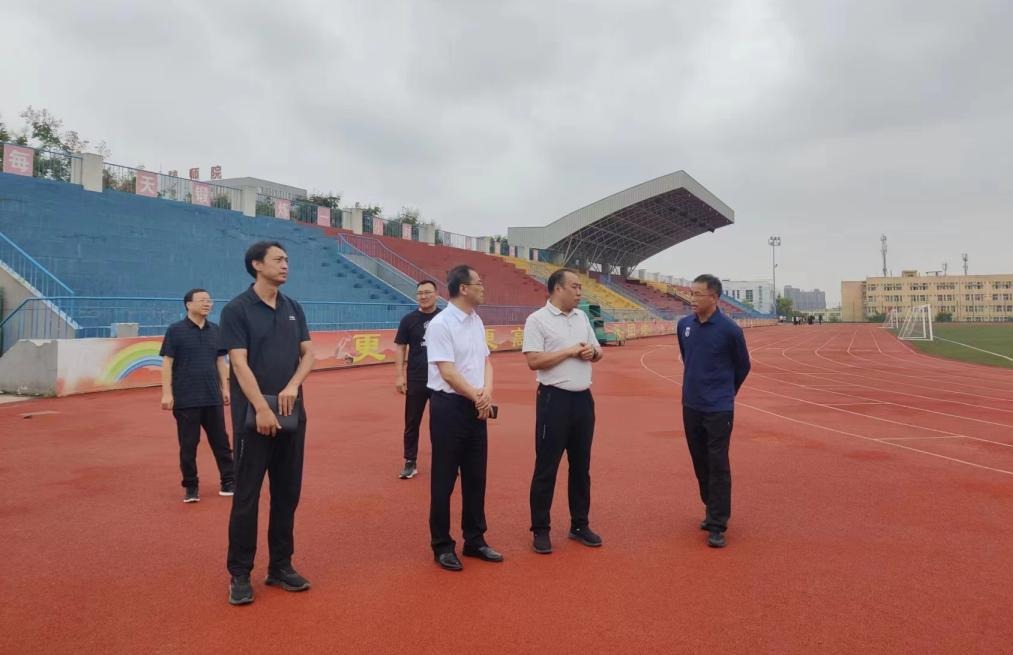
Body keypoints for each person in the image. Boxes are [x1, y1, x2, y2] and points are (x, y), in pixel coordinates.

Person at [220, 241, 316, 605]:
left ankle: (280, 566)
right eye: (278, 259)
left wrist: (292, 385)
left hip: (292, 416)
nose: (285, 264)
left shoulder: (294, 307)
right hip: (253, 419)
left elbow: (308, 354)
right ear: (257, 265)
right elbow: (238, 363)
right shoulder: (237, 309)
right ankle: (240, 573)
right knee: (246, 497)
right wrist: (261, 407)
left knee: (287, 494)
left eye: (287, 259)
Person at [425, 264, 502, 571]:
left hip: (476, 405)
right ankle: (442, 544)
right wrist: (476, 395)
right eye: (478, 283)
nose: (483, 288)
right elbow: (447, 371)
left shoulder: (476, 320)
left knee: (476, 477)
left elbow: (486, 361)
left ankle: (475, 539)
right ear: (463, 288)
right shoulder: (441, 324)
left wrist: (486, 394)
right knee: (444, 479)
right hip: (449, 406)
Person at [522, 268, 603, 555]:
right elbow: (533, 361)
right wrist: (569, 351)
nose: (580, 292)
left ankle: (580, 524)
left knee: (581, 467)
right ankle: (540, 529)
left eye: (580, 287)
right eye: (575, 287)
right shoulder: (537, 320)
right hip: (553, 400)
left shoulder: (582, 317)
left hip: (583, 400)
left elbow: (598, 351)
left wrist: (592, 353)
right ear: (558, 288)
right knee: (547, 466)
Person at [677, 274, 751, 549]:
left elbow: (743, 366)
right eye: (691, 293)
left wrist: (726, 393)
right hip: (691, 405)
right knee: (700, 461)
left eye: (698, 294)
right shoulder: (684, 326)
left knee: (717, 463)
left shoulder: (730, 330)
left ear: (714, 298)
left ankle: (718, 523)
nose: (692, 299)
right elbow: (688, 357)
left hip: (719, 408)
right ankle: (710, 508)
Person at [159, 288, 234, 503]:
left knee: (221, 442)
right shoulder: (175, 330)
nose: (207, 304)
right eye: (202, 300)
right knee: (188, 445)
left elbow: (221, 361)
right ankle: (191, 486)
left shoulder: (216, 330)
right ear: (188, 304)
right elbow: (167, 363)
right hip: (186, 398)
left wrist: (225, 388)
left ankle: (228, 481)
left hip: (212, 396)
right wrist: (167, 393)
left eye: (209, 300)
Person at [394, 280, 441, 479]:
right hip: (416, 378)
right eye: (420, 293)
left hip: (442, 379)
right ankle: (410, 461)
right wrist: (399, 376)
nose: (423, 296)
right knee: (412, 422)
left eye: (427, 292)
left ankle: (444, 461)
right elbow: (401, 348)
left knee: (442, 423)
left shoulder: (445, 318)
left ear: (436, 294)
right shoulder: (408, 320)